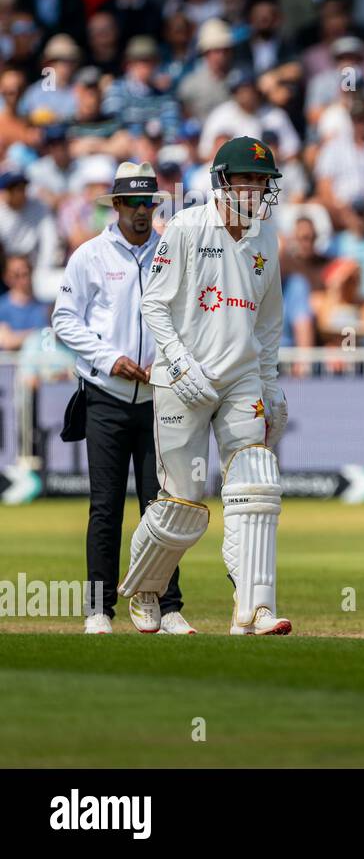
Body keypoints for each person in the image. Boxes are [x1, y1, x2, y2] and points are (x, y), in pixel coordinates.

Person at [117, 137, 291, 637]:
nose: (256, 190)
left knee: (256, 481)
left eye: (264, 181)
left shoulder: (266, 237)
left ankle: (253, 610)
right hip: (182, 381)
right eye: (248, 180)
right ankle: (147, 591)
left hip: (241, 379)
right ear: (223, 181)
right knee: (184, 502)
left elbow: (268, 324)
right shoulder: (189, 227)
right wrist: (179, 364)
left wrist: (271, 386)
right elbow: (154, 304)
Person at [51, 163, 192, 636]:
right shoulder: (90, 255)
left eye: (148, 203)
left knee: (161, 506)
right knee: (106, 506)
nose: (140, 212)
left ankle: (166, 605)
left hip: (158, 399)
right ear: (115, 207)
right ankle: (98, 609)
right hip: (106, 397)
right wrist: (111, 359)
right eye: (132, 203)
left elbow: (189, 316)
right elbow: (65, 320)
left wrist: (171, 362)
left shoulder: (171, 252)